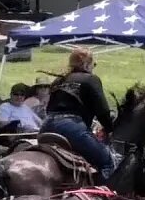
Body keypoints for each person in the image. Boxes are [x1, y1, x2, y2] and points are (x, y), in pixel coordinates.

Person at [42, 48, 115, 176]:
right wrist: (110, 129)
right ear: (86, 64)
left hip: (46, 126)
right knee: (107, 160)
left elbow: (48, 109)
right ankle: (104, 195)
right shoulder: (91, 79)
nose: (93, 67)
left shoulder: (58, 81)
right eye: (94, 64)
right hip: (71, 127)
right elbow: (103, 111)